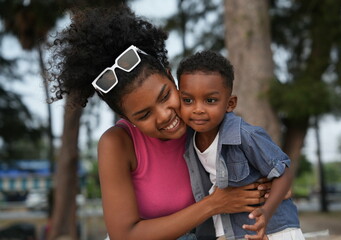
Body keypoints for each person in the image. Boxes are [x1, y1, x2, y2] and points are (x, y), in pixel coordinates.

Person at [47, 5, 278, 240]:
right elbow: (125, 235)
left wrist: (273, 190)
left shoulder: (203, 120)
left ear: (170, 76)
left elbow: (263, 176)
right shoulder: (117, 143)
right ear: (126, 119)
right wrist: (214, 204)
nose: (165, 115)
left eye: (165, 96)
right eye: (144, 115)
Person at [177, 51, 305, 240]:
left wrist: (266, 213)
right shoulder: (189, 139)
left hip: (273, 229)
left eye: (210, 100)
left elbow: (283, 174)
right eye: (188, 100)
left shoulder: (245, 135)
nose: (198, 109)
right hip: (235, 231)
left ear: (230, 103)